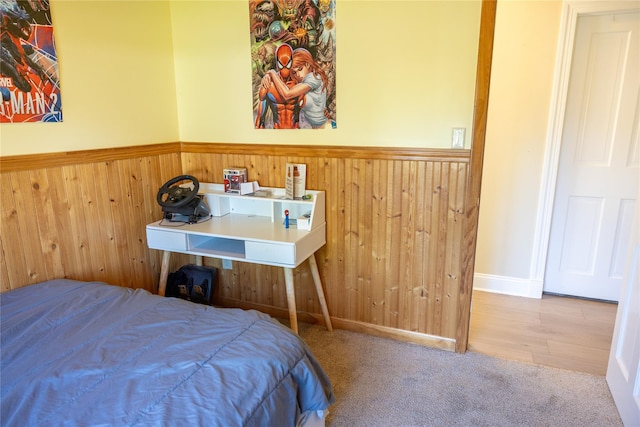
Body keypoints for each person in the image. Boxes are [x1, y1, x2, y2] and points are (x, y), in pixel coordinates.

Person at [262, 47, 328, 128]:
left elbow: (287, 94)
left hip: (325, 127)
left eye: (300, 69)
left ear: (307, 64)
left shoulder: (313, 78)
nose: (298, 75)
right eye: (294, 72)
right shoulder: (303, 82)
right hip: (316, 128)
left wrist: (271, 73)